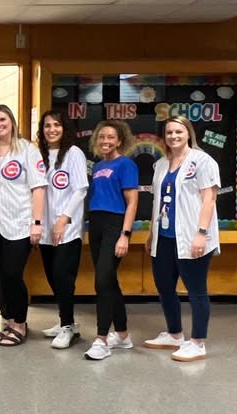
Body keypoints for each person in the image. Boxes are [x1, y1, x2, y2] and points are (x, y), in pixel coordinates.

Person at [144, 115, 220, 362]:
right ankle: (175, 334)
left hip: (192, 236)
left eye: (178, 132)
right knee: (165, 286)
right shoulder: (161, 164)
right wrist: (151, 234)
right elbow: (158, 201)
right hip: (164, 237)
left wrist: (201, 234)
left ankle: (197, 342)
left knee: (196, 290)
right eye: (169, 133)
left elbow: (209, 199)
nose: (173, 136)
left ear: (188, 133)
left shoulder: (202, 161)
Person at [0, 105, 47, 347]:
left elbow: (38, 188)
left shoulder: (27, 150)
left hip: (19, 222)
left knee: (13, 273)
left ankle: (20, 323)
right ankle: (7, 320)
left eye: (2, 119)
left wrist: (37, 223)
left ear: (12, 121)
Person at [83, 120, 139, 361]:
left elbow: (133, 202)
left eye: (111, 137)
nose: (105, 141)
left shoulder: (125, 164)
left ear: (119, 141)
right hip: (96, 224)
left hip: (115, 225)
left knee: (102, 281)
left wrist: (124, 235)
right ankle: (123, 336)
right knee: (109, 281)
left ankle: (101, 339)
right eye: (101, 136)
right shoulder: (98, 166)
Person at [35, 111, 89, 349]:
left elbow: (80, 189)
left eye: (57, 124)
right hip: (45, 227)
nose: (52, 129)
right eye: (47, 125)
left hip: (66, 228)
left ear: (64, 128)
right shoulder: (40, 155)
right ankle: (65, 321)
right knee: (51, 275)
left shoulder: (74, 153)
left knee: (63, 276)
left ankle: (67, 326)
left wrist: (63, 220)